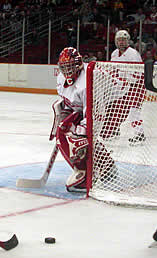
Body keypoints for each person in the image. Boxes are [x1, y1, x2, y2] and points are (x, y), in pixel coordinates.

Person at [50, 47, 117, 192]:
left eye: (70, 67)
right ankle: (107, 166)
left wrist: (81, 130)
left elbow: (95, 113)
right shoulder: (62, 78)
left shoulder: (88, 80)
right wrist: (61, 112)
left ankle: (87, 173)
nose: (67, 71)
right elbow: (68, 102)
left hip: (116, 102)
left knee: (81, 137)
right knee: (70, 133)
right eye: (64, 67)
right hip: (94, 105)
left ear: (78, 64)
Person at [106, 29, 146, 145]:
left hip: (136, 86)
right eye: (119, 40)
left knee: (134, 111)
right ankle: (114, 130)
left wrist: (125, 80)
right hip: (121, 87)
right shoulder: (114, 54)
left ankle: (139, 134)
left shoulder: (133, 54)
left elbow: (138, 73)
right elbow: (113, 70)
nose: (121, 42)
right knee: (115, 108)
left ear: (128, 41)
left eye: (123, 40)